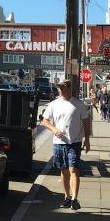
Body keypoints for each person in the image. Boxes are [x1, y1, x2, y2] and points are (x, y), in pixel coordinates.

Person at [40, 77, 92, 211]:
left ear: (69, 89)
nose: (60, 90)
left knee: (73, 169)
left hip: (74, 141)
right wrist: (54, 129)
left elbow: (86, 121)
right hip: (59, 142)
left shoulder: (78, 104)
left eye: (62, 87)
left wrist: (87, 139)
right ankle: (67, 197)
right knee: (64, 171)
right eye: (59, 88)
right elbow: (45, 121)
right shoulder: (53, 104)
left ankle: (75, 198)